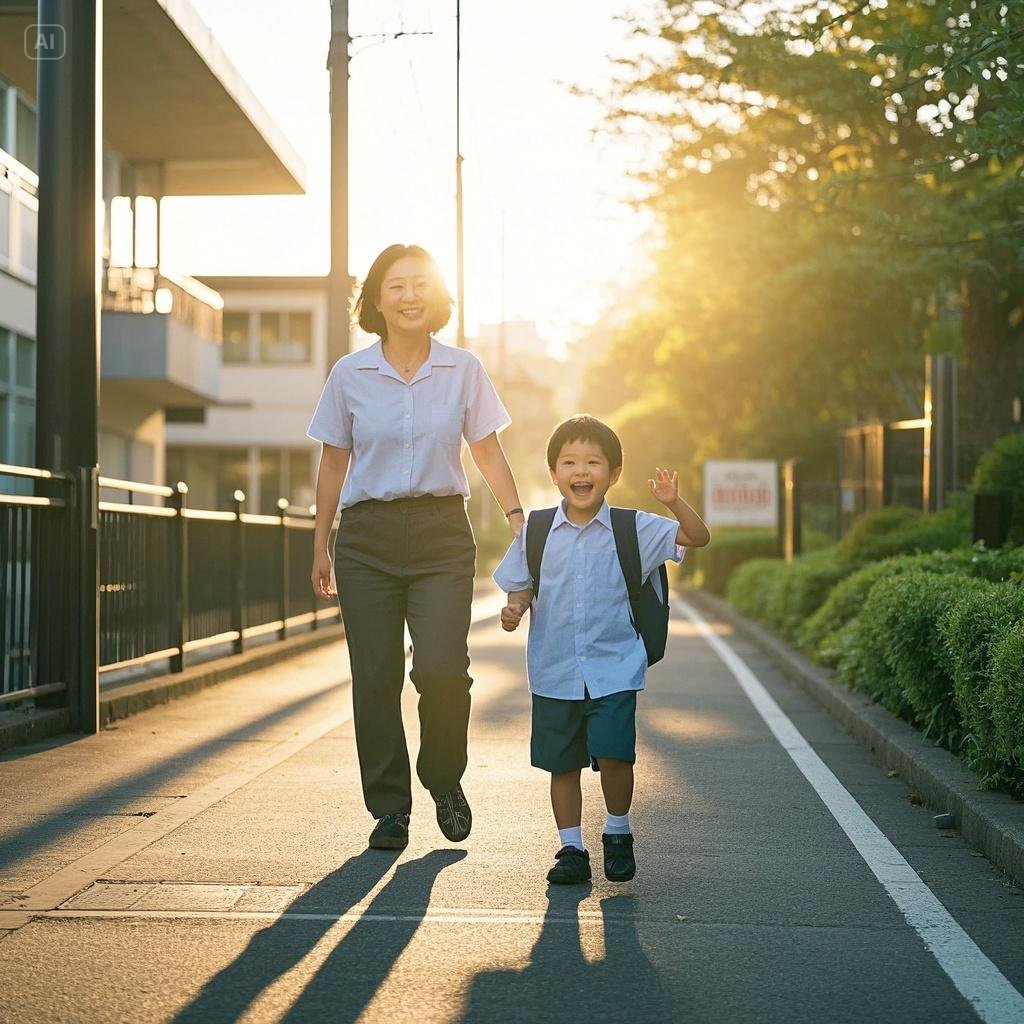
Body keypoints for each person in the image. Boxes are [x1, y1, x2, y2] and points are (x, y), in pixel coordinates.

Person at [308, 243, 525, 852]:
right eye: (396, 286)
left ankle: (444, 779)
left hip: (439, 534)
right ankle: (390, 808)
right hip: (367, 538)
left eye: (419, 284)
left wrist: (516, 518)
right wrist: (320, 542)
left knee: (442, 671)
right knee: (374, 677)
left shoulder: (464, 369)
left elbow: (486, 450)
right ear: (376, 300)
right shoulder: (349, 374)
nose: (409, 296)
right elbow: (333, 463)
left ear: (438, 296)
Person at [493, 415, 710, 884]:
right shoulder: (536, 530)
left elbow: (696, 537)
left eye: (593, 461)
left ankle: (617, 832)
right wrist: (514, 609)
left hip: (614, 667)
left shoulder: (634, 528)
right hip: (554, 670)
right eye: (569, 461)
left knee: (616, 755)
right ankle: (571, 849)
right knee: (561, 764)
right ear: (554, 474)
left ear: (613, 473)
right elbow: (521, 586)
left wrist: (675, 504)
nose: (581, 470)